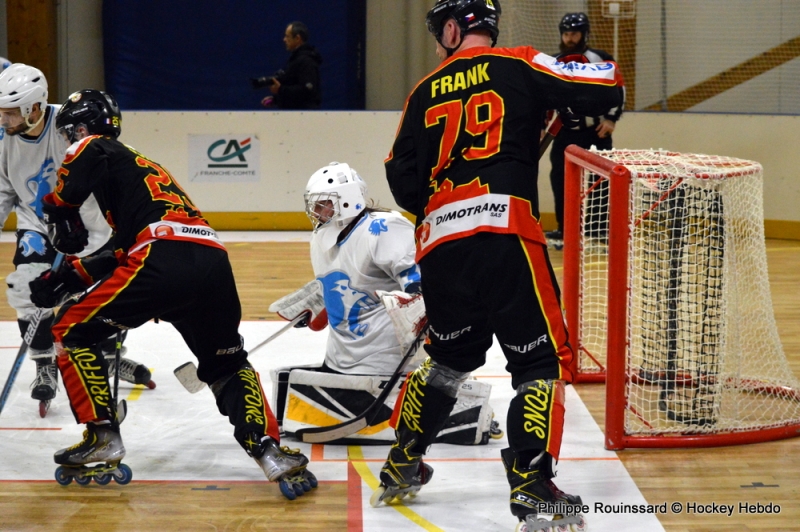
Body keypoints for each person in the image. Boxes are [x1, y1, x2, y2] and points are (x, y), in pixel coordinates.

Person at [374, 0, 623, 530]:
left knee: (449, 360)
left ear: (449, 30)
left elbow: (401, 179)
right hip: (506, 231)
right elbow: (606, 85)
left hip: (440, 243)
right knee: (538, 363)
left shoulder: (421, 92)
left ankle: (401, 464)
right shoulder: (521, 62)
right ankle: (532, 487)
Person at [29, 88, 316, 497]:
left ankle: (102, 435)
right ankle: (270, 452)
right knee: (228, 364)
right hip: (211, 260)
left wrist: (59, 208)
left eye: (68, 134)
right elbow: (123, 246)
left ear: (80, 127)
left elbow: (88, 155)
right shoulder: (139, 170)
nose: (67, 144)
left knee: (71, 329)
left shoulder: (95, 146)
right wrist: (70, 277)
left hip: (162, 258)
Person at [269, 161, 501, 446]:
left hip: (384, 361)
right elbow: (350, 283)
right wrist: (319, 299)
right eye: (314, 206)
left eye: (324, 204)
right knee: (284, 383)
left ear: (348, 200)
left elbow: (421, 288)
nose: (316, 213)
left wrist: (419, 311)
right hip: (342, 359)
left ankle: (454, 406)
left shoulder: (383, 228)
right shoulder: (319, 236)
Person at [0, 64, 151, 417]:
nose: (3, 120)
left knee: (97, 297)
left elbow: (106, 166)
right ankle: (44, 362)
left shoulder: (68, 125)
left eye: (8, 113)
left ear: (33, 108)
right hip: (38, 222)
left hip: (89, 226)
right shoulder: (4, 140)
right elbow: (4, 187)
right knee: (27, 288)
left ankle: (108, 357)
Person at [546, 12, 625, 247]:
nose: (570, 38)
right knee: (560, 179)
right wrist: (541, 126)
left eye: (575, 33)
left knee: (601, 181)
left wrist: (612, 119)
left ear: (585, 34)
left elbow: (619, 90)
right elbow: (545, 96)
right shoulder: (552, 62)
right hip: (565, 133)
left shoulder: (601, 59)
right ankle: (566, 230)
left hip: (596, 133)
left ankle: (598, 231)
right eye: (566, 34)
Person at [251, 21, 322, 110]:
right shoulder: (296, 59)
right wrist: (277, 99)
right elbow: (294, 89)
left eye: (287, 36)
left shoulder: (306, 61)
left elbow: (307, 91)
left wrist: (280, 89)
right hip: (295, 115)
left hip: (304, 118)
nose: (284, 39)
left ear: (297, 38)